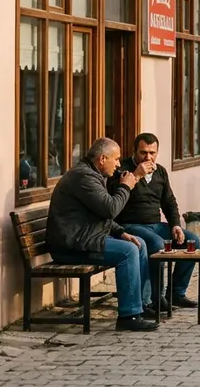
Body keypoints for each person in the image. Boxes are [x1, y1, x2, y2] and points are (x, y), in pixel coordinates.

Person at [46, 138, 157, 332]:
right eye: (116, 159)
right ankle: (129, 315)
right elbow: (110, 209)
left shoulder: (92, 175)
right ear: (103, 159)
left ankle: (142, 305)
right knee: (128, 251)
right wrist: (127, 186)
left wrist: (120, 232)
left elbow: (100, 214)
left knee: (138, 243)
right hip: (71, 246)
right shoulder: (84, 177)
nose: (119, 164)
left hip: (84, 238)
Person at [113, 133, 200, 309]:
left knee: (192, 241)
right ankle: (155, 298)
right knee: (157, 244)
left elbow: (169, 202)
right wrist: (136, 175)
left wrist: (175, 225)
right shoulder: (122, 170)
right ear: (134, 151)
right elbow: (115, 198)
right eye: (143, 153)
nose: (148, 158)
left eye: (152, 153)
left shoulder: (160, 171)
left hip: (156, 225)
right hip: (130, 225)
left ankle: (176, 293)